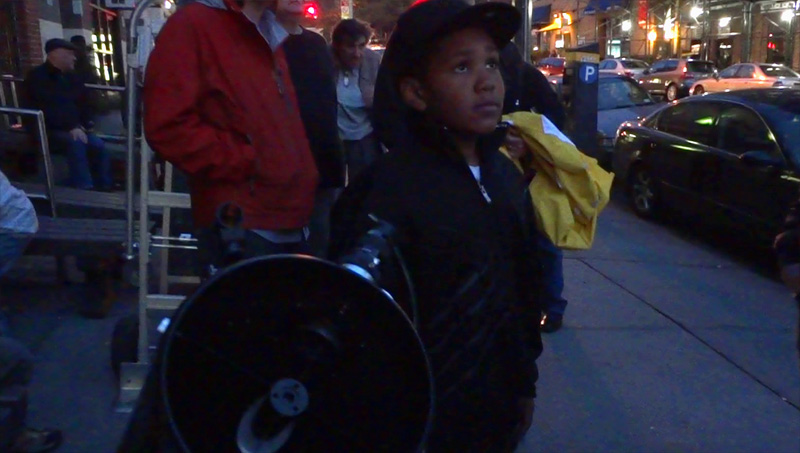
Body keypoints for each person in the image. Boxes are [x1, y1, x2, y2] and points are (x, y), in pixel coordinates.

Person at [329, 0, 542, 449]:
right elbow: (358, 328)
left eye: (491, 62)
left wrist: (525, 383)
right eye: (462, 68)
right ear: (416, 92)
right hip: (416, 421)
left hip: (495, 413)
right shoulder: (385, 192)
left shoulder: (505, 178)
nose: (487, 81)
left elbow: (522, 292)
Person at [143, 0, 319, 272]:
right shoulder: (193, 25)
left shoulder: (265, 30)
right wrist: (248, 160)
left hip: (290, 218)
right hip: (242, 224)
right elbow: (168, 127)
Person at [0, 171, 62, 453]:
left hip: (12, 224)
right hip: (14, 222)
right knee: (14, 358)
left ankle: (14, 432)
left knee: (15, 358)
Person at [276, 0, 344, 257]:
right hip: (279, 171)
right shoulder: (259, 45)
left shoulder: (315, 45)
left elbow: (326, 108)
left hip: (322, 167)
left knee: (319, 250)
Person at [23, 38, 113, 191]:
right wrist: (72, 126)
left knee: (98, 145)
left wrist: (86, 124)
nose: (74, 58)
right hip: (48, 129)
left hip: (73, 127)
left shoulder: (72, 77)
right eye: (70, 54)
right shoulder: (37, 77)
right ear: (57, 55)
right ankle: (84, 187)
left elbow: (84, 103)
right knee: (75, 143)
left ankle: (104, 185)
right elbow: (48, 107)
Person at [330, 19, 382, 182]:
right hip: (335, 138)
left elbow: (385, 100)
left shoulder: (372, 61)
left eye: (361, 46)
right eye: (350, 46)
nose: (357, 53)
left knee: (364, 189)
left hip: (364, 137)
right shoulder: (326, 61)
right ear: (338, 46)